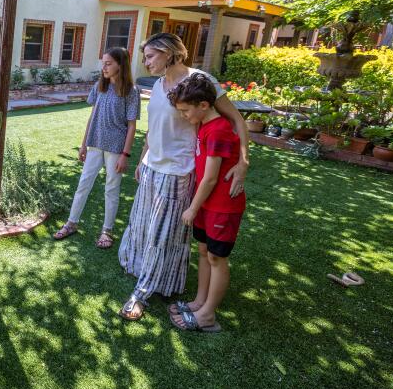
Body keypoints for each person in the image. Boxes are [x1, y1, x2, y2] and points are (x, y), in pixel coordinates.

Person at [118, 32, 249, 321]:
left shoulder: (200, 80)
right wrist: (142, 159)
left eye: (150, 55)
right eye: (145, 56)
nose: (145, 61)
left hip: (178, 171)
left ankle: (142, 292)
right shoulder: (157, 83)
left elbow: (236, 120)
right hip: (153, 167)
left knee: (163, 236)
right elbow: (155, 127)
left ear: (169, 53)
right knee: (143, 229)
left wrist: (243, 162)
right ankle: (160, 280)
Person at [166, 73, 246, 332]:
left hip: (222, 206)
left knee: (216, 258)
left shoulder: (219, 130)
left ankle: (208, 314)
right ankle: (200, 301)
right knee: (203, 252)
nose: (183, 116)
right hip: (206, 205)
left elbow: (211, 179)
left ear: (203, 105)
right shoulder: (205, 126)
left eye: (185, 111)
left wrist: (192, 207)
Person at [53, 47, 140, 248]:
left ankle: (107, 232)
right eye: (103, 63)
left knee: (111, 188)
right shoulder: (100, 86)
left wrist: (125, 155)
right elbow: (92, 116)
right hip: (95, 144)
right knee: (84, 183)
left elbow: (132, 125)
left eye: (109, 64)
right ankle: (71, 223)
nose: (104, 68)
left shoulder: (130, 91)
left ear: (121, 64)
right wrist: (83, 145)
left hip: (116, 148)